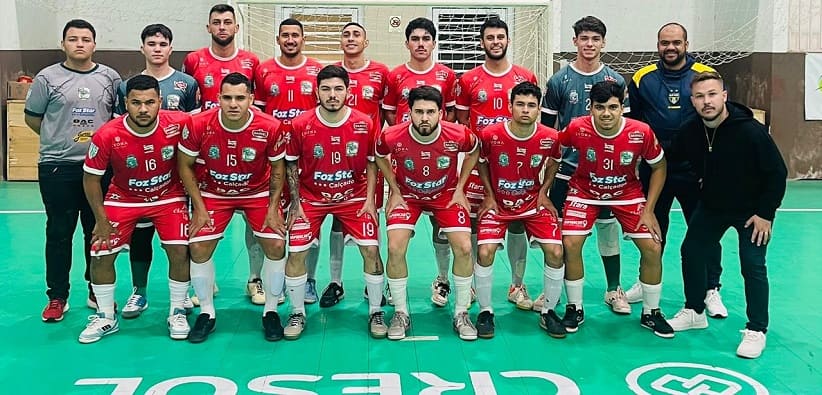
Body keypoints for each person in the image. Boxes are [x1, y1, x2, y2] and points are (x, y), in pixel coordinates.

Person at [666, 71, 787, 359]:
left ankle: (757, 329)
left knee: (752, 264)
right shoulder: (690, 130)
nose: (706, 101)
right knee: (691, 251)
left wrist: (765, 214)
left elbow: (777, 174)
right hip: (712, 206)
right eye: (699, 96)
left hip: (752, 212)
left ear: (724, 96)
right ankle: (695, 310)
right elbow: (671, 158)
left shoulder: (750, 131)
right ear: (692, 101)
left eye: (711, 94)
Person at [558, 81, 674, 338]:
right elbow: (554, 148)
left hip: (627, 194)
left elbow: (660, 166)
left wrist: (649, 209)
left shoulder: (640, 131)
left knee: (653, 247)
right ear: (591, 108)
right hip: (584, 192)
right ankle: (574, 307)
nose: (606, 113)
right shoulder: (578, 127)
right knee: (571, 243)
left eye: (613, 107)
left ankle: (651, 312)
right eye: (600, 108)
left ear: (622, 107)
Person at [625, 23, 726, 317]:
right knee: (652, 228)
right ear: (657, 44)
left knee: (705, 229)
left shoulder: (705, 75)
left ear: (686, 43)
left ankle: (711, 289)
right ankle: (646, 282)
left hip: (695, 170)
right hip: (655, 168)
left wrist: (713, 165)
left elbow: (718, 120)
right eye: (665, 43)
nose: (670, 48)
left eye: (676, 42)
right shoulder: (643, 78)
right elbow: (635, 126)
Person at [80, 75, 191, 343]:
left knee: (179, 249)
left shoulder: (179, 123)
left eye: (150, 102)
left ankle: (177, 310)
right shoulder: (107, 134)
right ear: (125, 103)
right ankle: (106, 316)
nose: (143, 109)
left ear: (160, 102)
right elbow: (91, 178)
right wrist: (101, 219)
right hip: (124, 198)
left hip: (168, 196)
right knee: (100, 251)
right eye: (136, 103)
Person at [177, 73, 287, 343]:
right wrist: (199, 207)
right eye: (227, 98)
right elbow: (184, 165)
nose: (233, 104)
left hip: (257, 192)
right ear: (218, 99)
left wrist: (273, 207)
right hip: (214, 193)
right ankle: (207, 313)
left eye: (240, 98)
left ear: (251, 99)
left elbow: (277, 169)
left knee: (275, 245)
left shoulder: (270, 126)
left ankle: (271, 311)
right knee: (199, 246)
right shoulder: (198, 124)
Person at [25, 19, 121, 323]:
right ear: (63, 44)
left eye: (85, 39)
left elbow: (116, 119)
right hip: (58, 167)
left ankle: (96, 290)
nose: (79, 44)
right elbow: (33, 118)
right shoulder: (47, 78)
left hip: (99, 168)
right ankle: (58, 296)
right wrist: (59, 139)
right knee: (58, 232)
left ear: (94, 44)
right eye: (73, 39)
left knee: (97, 231)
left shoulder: (110, 77)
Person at [281, 65, 384, 339]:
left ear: (348, 93)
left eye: (338, 89)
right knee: (296, 252)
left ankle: (375, 310)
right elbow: (290, 165)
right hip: (312, 199)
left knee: (371, 251)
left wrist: (371, 201)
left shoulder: (364, 122)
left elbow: (373, 163)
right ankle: (296, 312)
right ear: (317, 92)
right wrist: (296, 203)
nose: (332, 94)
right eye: (326, 89)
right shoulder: (300, 124)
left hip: (354, 198)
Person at [539, 16, 630, 315]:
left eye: (595, 39)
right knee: (563, 235)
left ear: (603, 43)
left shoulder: (616, 80)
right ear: (575, 41)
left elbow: (625, 129)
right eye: (584, 38)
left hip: (608, 175)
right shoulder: (559, 81)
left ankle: (613, 289)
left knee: (607, 229)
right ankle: (554, 292)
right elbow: (548, 132)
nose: (589, 44)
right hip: (568, 172)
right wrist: (544, 176)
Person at [375, 86, 478, 341]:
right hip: (407, 196)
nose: (424, 117)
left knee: (464, 247)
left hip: (446, 195)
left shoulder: (459, 134)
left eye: (430, 112)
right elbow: (379, 155)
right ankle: (400, 312)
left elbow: (475, 150)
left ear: (441, 113)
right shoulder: (392, 136)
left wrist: (461, 188)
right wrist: (394, 189)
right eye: (418, 111)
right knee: (396, 247)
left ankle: (461, 312)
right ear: (408, 112)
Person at [115, 24, 198, 319]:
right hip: (138, 178)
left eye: (163, 44)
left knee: (178, 240)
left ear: (171, 49)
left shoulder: (186, 83)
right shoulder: (127, 85)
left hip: (174, 178)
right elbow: (119, 130)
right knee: (140, 238)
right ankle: (139, 291)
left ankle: (183, 292)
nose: (157, 48)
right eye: (152, 43)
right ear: (142, 48)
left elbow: (192, 129)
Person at [456, 17, 539, 310]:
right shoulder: (467, 80)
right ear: (482, 42)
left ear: (507, 40)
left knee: (517, 225)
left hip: (515, 169)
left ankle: (517, 284)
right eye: (489, 37)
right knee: (478, 223)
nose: (495, 42)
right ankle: (479, 285)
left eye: (500, 37)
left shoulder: (525, 77)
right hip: (479, 169)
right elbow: (464, 124)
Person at [183, 3, 263, 306]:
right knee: (204, 221)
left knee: (255, 224)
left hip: (246, 153)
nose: (222, 27)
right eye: (216, 22)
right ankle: (207, 282)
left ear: (236, 28)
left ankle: (255, 280)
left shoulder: (251, 61)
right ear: (208, 28)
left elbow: (258, 107)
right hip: (207, 152)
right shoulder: (193, 60)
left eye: (227, 22)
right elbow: (189, 105)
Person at [474, 82, 566, 339]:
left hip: (532, 204)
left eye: (531, 106)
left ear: (539, 109)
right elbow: (480, 163)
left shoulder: (550, 136)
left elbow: (555, 160)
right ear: (510, 106)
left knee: (556, 251)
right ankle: (485, 311)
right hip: (499, 203)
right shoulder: (490, 134)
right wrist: (489, 196)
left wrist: (544, 191)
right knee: (485, 251)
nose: (525, 110)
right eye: (520, 104)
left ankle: (548, 311)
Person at [383, 17, 460, 308]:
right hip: (406, 163)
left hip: (440, 162)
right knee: (397, 231)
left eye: (426, 39)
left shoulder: (447, 76)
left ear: (433, 43)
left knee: (443, 226)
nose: (420, 44)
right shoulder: (395, 76)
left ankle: (442, 279)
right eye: (415, 39)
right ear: (407, 43)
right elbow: (390, 116)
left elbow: (451, 115)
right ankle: (394, 286)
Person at [317, 22, 391, 308]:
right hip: (335, 158)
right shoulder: (331, 74)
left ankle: (373, 285)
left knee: (369, 215)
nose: (351, 39)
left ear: (366, 40)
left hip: (370, 158)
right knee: (337, 216)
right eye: (346, 34)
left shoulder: (381, 73)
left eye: (356, 34)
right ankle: (336, 282)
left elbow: (388, 113)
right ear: (340, 41)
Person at [253, 18, 325, 304]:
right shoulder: (264, 70)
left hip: (305, 157)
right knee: (263, 217)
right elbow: (256, 112)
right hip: (271, 156)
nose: (291, 40)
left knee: (308, 219)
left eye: (296, 35)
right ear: (278, 38)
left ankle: (308, 279)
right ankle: (262, 278)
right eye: (286, 35)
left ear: (303, 39)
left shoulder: (316, 70)